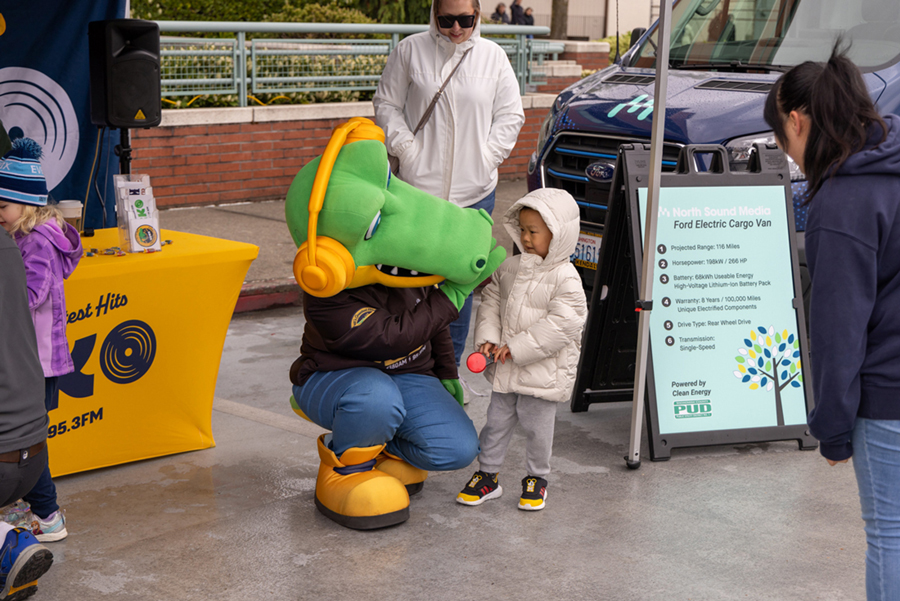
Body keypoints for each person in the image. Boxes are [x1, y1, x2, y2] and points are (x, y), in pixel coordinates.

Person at [763, 43, 900, 600]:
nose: (786, 153)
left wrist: (833, 429)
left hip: (888, 396)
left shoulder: (840, 204)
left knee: (890, 538)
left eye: (779, 136)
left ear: (798, 122)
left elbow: (840, 332)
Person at [373, 0, 525, 370]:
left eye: (465, 20)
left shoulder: (493, 57)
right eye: (446, 20)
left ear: (477, 14)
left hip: (474, 193)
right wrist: (406, 149)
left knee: (460, 284)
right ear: (433, 15)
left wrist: (486, 157)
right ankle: (407, 364)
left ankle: (449, 371)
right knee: (409, 279)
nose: (456, 28)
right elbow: (386, 104)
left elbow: (510, 115)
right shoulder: (410, 50)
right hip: (416, 192)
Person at [456, 188, 587, 511]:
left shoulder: (566, 279)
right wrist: (488, 337)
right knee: (495, 424)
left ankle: (537, 478)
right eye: (523, 230)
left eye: (535, 232)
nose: (526, 238)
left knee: (538, 430)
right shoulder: (511, 267)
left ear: (558, 234)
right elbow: (491, 302)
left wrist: (515, 347)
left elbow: (562, 325)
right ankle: (488, 475)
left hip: (541, 374)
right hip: (505, 369)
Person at [0, 138, 81, 543]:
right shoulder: (28, 237)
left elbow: (28, 296)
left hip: (36, 361)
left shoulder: (34, 243)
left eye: (2, 206)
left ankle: (46, 516)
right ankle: (35, 509)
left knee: (27, 441)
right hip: (31, 358)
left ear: (26, 205)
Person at [0, 153, 55, 599]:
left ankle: (7, 543)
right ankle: (14, 559)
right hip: (31, 454)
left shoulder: (28, 246)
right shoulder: (9, 247)